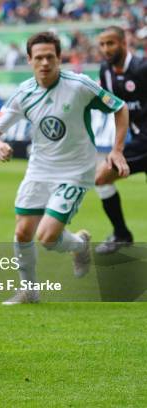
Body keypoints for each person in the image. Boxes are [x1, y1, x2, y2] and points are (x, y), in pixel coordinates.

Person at [0, 31, 130, 305]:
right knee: (22, 232)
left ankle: (78, 246)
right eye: (38, 58)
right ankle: (29, 291)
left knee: (48, 237)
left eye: (50, 57)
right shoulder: (24, 93)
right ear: (29, 60)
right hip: (39, 169)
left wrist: (117, 150)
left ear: (59, 58)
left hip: (75, 171)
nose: (44, 63)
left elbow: (120, 108)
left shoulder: (79, 85)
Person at [94, 26, 147, 254]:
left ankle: (122, 235)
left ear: (124, 44)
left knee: (101, 175)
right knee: (102, 177)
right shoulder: (105, 70)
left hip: (145, 141)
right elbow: (112, 106)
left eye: (111, 43)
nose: (106, 49)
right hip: (138, 140)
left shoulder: (142, 68)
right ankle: (121, 234)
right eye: (103, 44)